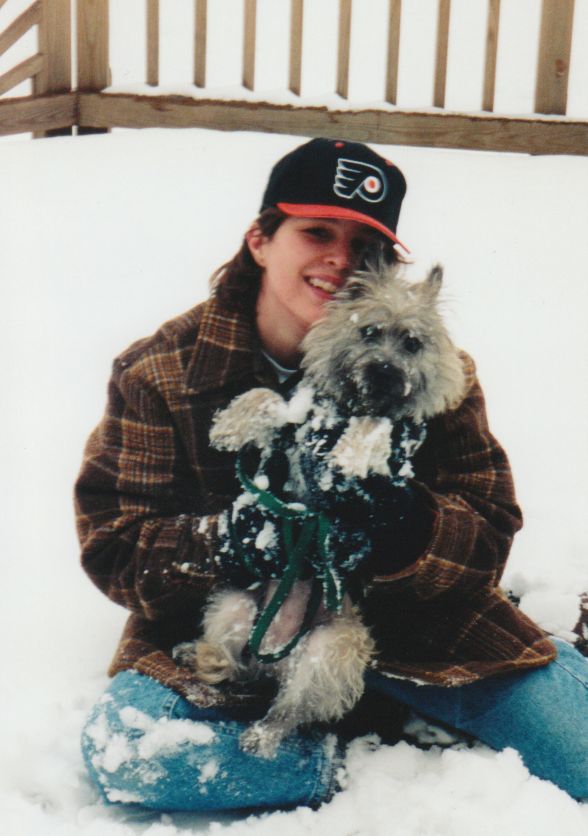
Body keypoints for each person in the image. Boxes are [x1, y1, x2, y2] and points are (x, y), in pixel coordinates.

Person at [76, 137, 588, 812]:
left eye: (366, 248)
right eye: (316, 232)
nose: (341, 261)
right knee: (135, 755)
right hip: (239, 639)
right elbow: (115, 546)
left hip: (426, 635)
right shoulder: (161, 370)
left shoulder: (432, 369)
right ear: (260, 240)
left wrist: (405, 525)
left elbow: (489, 526)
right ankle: (353, 763)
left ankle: (444, 693)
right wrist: (229, 541)